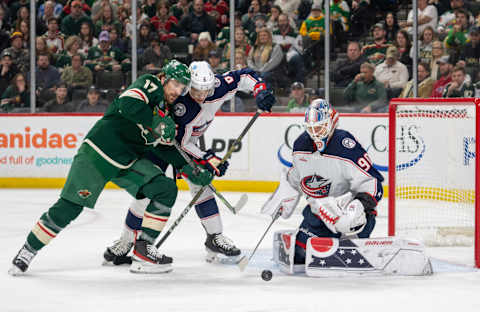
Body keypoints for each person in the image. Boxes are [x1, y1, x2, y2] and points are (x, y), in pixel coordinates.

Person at [8, 60, 213, 275]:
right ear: (164, 78)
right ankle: (28, 250)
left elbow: (165, 147)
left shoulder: (168, 113)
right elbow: (128, 105)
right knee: (70, 207)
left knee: (165, 188)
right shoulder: (150, 84)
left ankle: (144, 250)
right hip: (99, 152)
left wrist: (189, 169)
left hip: (129, 160)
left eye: (182, 87)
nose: (178, 91)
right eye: (176, 85)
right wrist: (156, 122)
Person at [103, 61, 276, 266]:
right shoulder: (180, 105)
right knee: (146, 192)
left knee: (201, 184)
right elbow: (179, 142)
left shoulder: (219, 86)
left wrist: (260, 90)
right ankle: (126, 240)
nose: (202, 96)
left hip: (187, 143)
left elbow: (244, 76)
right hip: (160, 145)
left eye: (206, 90)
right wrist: (208, 158)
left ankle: (214, 237)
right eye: (196, 90)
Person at [261, 99, 384, 264]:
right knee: (300, 255)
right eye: (311, 128)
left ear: (332, 122)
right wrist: (285, 194)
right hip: (319, 214)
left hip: (347, 213)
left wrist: (359, 206)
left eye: (319, 127)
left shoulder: (345, 145)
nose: (315, 133)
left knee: (344, 258)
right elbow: (295, 177)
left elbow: (373, 182)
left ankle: (354, 235)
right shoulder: (301, 144)